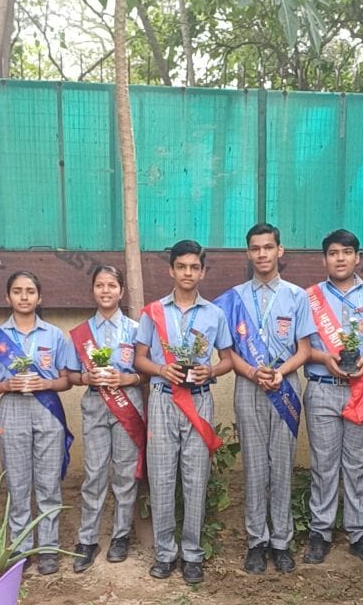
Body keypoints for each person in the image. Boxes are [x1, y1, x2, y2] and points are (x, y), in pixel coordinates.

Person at [215, 222, 313, 574]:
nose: (262, 254)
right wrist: (251, 372)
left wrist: (280, 372)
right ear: (248, 253)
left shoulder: (298, 296)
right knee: (255, 467)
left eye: (268, 247)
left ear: (279, 250)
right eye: (255, 248)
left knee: (282, 466)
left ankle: (282, 542)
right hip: (249, 385)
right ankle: (257, 542)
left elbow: (304, 349)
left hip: (285, 385)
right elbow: (227, 351)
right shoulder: (233, 299)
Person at [134, 240, 232, 584]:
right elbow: (140, 359)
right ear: (171, 270)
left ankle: (192, 554)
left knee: (195, 478)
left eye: (194, 267)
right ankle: (164, 553)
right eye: (181, 267)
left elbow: (228, 359)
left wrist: (211, 370)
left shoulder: (215, 314)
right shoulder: (152, 312)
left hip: (198, 400)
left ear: (202, 272)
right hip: (163, 398)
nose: (188, 273)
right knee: (161, 478)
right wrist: (162, 370)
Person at [302, 229, 363, 566]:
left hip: (362, 389)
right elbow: (301, 347)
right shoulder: (309, 298)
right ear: (324, 259)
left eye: (346, 252)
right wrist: (324, 357)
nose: (340, 258)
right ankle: (320, 533)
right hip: (322, 388)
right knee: (324, 466)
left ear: (357, 258)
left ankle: (359, 533)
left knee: (358, 466)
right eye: (333, 253)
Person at [0, 270, 73, 575]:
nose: (24, 296)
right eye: (17, 291)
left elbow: (66, 381)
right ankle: (20, 548)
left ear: (39, 297)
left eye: (30, 291)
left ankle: (47, 548)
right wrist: (6, 385)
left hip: (47, 409)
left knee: (48, 484)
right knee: (17, 483)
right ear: (7, 297)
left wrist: (46, 384)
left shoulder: (54, 335)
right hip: (12, 407)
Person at [67, 265, 146, 572]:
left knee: (125, 474)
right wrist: (86, 377)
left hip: (128, 403)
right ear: (93, 290)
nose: (106, 290)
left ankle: (120, 536)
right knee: (95, 473)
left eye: (112, 285)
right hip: (95, 403)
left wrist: (128, 379)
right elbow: (71, 375)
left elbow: (145, 372)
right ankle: (87, 539)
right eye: (100, 285)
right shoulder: (82, 333)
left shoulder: (136, 330)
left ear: (121, 291)